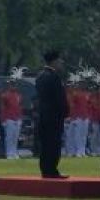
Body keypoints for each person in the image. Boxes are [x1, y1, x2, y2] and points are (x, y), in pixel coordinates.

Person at [35, 50, 69, 178]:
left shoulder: (40, 76)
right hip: (54, 116)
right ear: (54, 61)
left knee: (45, 144)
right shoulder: (54, 77)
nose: (61, 63)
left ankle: (45, 169)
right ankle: (52, 170)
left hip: (43, 115)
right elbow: (59, 98)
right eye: (59, 60)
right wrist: (65, 111)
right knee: (54, 144)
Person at [0, 80, 23, 159]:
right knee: (9, 137)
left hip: (17, 118)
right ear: (9, 85)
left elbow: (19, 107)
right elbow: (2, 108)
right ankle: (9, 153)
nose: (13, 86)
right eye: (11, 84)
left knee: (15, 137)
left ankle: (14, 152)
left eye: (14, 84)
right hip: (9, 118)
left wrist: (20, 118)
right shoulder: (5, 95)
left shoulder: (18, 95)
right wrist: (3, 120)